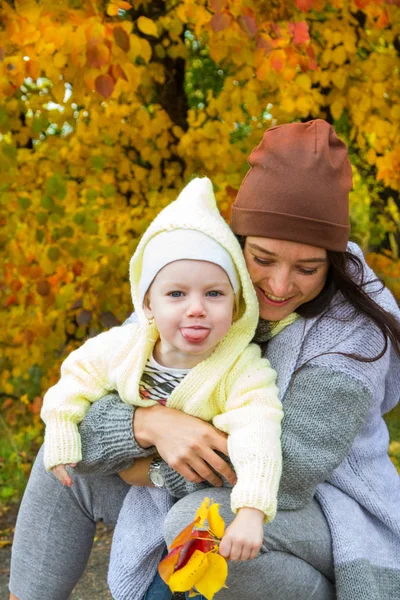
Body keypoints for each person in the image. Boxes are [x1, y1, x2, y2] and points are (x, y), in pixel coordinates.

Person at [9, 119, 400, 600]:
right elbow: (93, 403)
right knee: (60, 461)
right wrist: (149, 425)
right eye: (263, 259)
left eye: (307, 268)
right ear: (238, 247)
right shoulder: (204, 284)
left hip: (320, 510)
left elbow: (292, 470)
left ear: (333, 264)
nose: (279, 286)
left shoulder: (351, 334)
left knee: (202, 524)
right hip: (204, 480)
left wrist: (148, 468)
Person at [39, 176, 284, 599]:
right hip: (142, 501)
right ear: (148, 303)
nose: (196, 309)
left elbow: (259, 431)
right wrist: (62, 429)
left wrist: (251, 511)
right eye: (176, 293)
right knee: (59, 472)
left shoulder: (240, 367)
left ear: (236, 301)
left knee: (176, 583)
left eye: (213, 293)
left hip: (202, 505)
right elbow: (75, 377)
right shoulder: (127, 347)